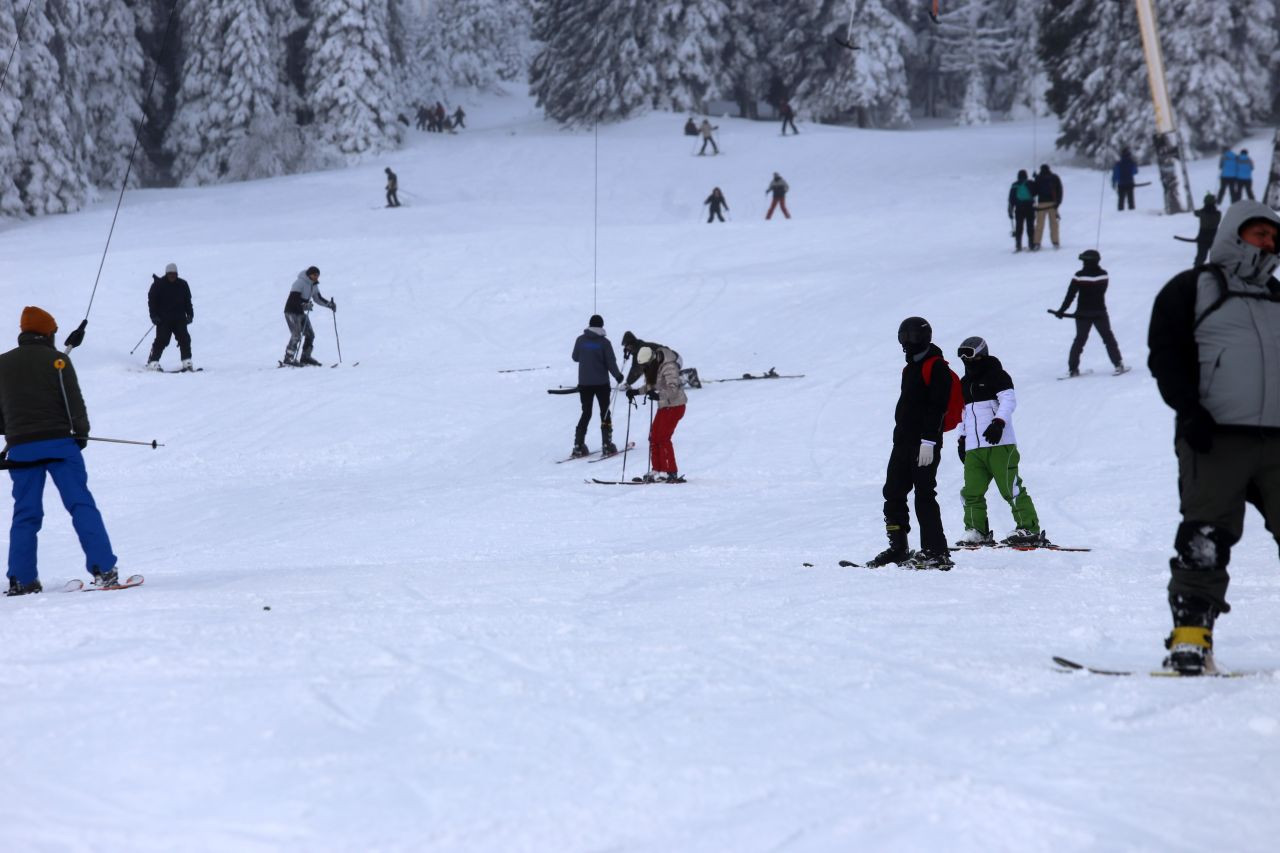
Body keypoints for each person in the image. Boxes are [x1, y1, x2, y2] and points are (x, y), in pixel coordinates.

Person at [1146, 199, 1280, 675]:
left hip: (1277, 439)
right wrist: (1189, 411)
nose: (1267, 243)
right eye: (1257, 234)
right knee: (1206, 534)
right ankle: (1190, 639)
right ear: (1233, 234)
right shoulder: (1193, 287)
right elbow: (1165, 353)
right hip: (1215, 437)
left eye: (1272, 236)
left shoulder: (1276, 295)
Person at [0, 307, 119, 595]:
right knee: (80, 505)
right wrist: (80, 435)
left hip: (21, 449)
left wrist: (14, 434)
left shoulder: (2, 363)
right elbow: (73, 403)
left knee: (25, 513)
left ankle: (21, 580)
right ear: (48, 333)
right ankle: (104, 570)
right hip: (59, 445)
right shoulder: (58, 360)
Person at [867, 317, 954, 570]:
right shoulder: (910, 368)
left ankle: (936, 552)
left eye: (912, 336)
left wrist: (928, 440)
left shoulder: (936, 366)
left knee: (924, 494)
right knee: (893, 492)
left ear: (925, 337)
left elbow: (938, 407)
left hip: (924, 444)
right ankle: (898, 548)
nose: (907, 342)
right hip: (903, 442)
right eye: (903, 337)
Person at [953, 336, 1044, 548]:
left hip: (999, 444)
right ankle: (977, 531)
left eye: (969, 353)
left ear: (981, 354)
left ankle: (1028, 528)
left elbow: (1008, 400)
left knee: (1010, 488)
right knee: (971, 492)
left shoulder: (997, 375)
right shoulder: (964, 383)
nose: (965, 358)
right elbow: (962, 413)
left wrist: (999, 422)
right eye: (961, 354)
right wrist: (961, 439)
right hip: (974, 448)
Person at [1052, 249, 1126, 377]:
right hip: (1100, 313)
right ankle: (1118, 364)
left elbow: (1070, 295)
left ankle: (1073, 369)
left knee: (1079, 341)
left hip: (1082, 314)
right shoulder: (1104, 275)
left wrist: (1061, 311)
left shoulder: (1079, 275)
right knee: (1108, 339)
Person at [624, 340, 687, 483]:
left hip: (675, 405)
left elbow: (673, 389)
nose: (645, 368)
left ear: (651, 359)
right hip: (665, 405)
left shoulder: (669, 366)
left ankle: (670, 471)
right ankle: (657, 469)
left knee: (663, 438)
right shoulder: (654, 366)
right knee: (653, 437)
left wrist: (659, 395)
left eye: (645, 365)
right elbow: (651, 386)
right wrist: (636, 392)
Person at [570, 314, 624, 458]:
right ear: (601, 326)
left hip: (584, 383)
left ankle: (578, 445)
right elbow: (610, 362)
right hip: (601, 384)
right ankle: (607, 445)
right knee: (604, 412)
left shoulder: (580, 340)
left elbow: (575, 357)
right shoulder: (604, 342)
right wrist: (618, 376)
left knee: (586, 412)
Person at [282, 266, 336, 366]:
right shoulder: (299, 283)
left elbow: (318, 298)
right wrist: (303, 305)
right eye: (314, 275)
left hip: (301, 312)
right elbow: (293, 299)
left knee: (310, 334)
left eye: (317, 275)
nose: (316, 277)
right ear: (309, 274)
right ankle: (288, 358)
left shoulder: (314, 285)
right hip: (291, 311)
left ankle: (305, 357)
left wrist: (329, 305)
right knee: (296, 335)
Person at [145, 262, 194, 372]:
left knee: (184, 338)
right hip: (163, 319)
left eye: (174, 274)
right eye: (170, 274)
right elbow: (152, 301)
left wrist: (190, 314)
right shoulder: (158, 285)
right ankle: (153, 362)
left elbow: (187, 301)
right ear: (166, 274)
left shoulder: (183, 284)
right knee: (162, 340)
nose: (172, 276)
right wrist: (153, 316)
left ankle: (187, 361)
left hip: (180, 318)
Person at [1031, 163, 1064, 250]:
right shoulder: (1054, 177)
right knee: (1054, 224)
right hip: (1053, 204)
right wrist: (1058, 203)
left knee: (1039, 225)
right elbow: (1060, 190)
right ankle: (1055, 242)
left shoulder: (1038, 178)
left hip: (1041, 205)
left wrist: (1034, 179)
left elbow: (1034, 192)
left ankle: (1037, 242)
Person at [1007, 169, 1035, 252]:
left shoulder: (1014, 185)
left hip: (1019, 209)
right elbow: (1036, 192)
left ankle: (1018, 245)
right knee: (1030, 227)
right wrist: (1035, 177)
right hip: (1030, 208)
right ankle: (1031, 244)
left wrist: (1010, 211)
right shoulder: (1030, 183)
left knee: (1019, 227)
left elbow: (1011, 199)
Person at [1192, 194, 1221, 268]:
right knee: (1216, 258)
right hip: (1214, 238)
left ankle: (1196, 272)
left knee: (1201, 257)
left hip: (1202, 238)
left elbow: (1195, 213)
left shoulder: (1201, 213)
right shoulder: (1218, 214)